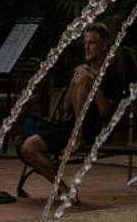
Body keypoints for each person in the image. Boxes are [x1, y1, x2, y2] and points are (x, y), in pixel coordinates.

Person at [16, 23, 113, 198]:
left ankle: (78, 134)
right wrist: (76, 80)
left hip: (96, 129)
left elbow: (105, 111)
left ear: (104, 46)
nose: (87, 47)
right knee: (28, 147)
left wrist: (93, 80)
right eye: (85, 43)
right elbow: (66, 106)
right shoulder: (83, 71)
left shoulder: (112, 74)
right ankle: (64, 190)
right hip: (70, 126)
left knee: (84, 79)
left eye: (92, 43)